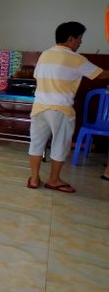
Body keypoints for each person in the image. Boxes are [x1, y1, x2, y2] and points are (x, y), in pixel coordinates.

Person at [27, 21, 109, 193]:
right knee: (60, 145)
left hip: (39, 107)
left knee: (36, 144)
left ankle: (34, 179)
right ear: (71, 39)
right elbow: (101, 75)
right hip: (61, 110)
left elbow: (37, 76)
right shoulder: (75, 58)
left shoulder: (45, 55)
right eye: (79, 38)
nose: (81, 42)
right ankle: (54, 180)